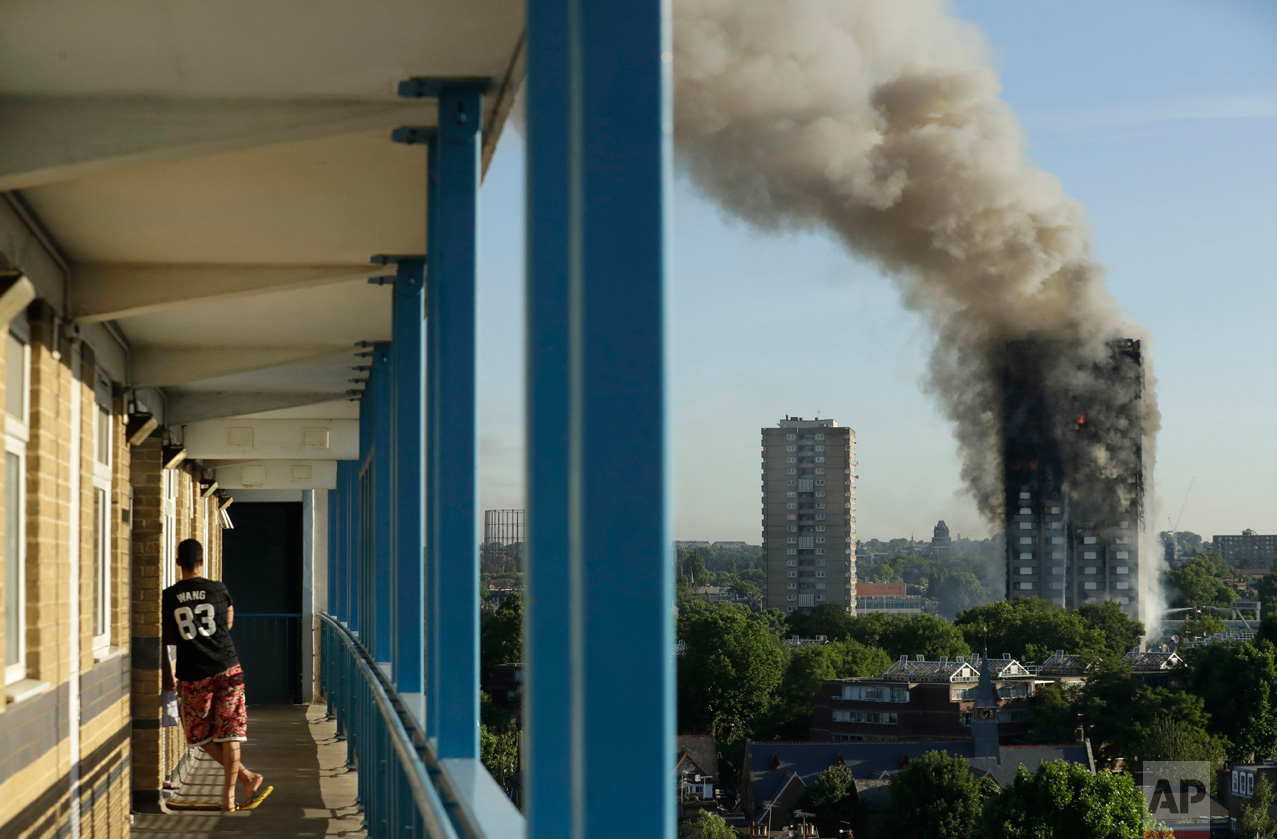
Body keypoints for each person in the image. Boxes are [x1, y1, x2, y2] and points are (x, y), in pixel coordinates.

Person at [162, 538, 269, 811]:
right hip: (227, 666)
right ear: (201, 562)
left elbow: (168, 637)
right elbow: (228, 622)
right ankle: (231, 794)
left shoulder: (170, 595)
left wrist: (172, 665)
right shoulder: (218, 589)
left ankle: (245, 779)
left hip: (193, 673)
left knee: (198, 735)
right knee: (230, 733)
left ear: (178, 563)